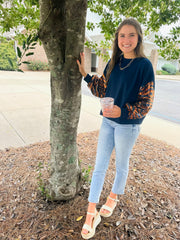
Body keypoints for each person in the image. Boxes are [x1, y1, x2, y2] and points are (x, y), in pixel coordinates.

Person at [77, 18, 155, 239]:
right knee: (99, 165)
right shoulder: (114, 62)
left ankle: (113, 196)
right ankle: (91, 212)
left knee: (121, 164)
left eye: (131, 35)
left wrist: (124, 111)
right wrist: (85, 75)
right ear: (117, 39)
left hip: (128, 126)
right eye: (122, 35)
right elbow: (102, 89)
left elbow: (146, 103)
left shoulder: (144, 66)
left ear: (138, 38)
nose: (126, 40)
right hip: (108, 122)